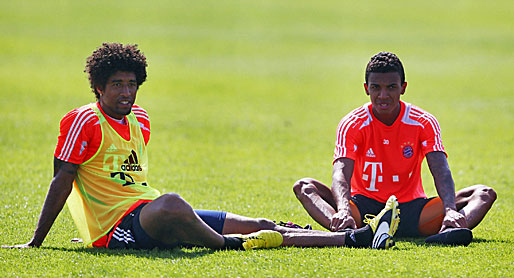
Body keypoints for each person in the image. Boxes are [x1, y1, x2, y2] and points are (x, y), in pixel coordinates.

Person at [3, 43, 399, 251]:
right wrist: (41, 240)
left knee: (262, 225)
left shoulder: (140, 120)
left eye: (131, 83)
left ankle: (352, 238)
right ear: (98, 88)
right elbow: (64, 182)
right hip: (118, 229)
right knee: (175, 204)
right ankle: (229, 247)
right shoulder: (83, 120)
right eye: (116, 85)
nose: (126, 92)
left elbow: (122, 181)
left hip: (145, 212)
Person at [293, 51, 496, 245]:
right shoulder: (352, 123)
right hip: (363, 211)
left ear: (403, 87)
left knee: (484, 193)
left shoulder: (423, 121)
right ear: (366, 88)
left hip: (413, 212)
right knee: (304, 186)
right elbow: (340, 173)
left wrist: (450, 210)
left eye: (391, 87)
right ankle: (350, 233)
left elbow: (441, 170)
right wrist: (344, 210)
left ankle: (449, 230)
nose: (383, 95)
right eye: (376, 88)